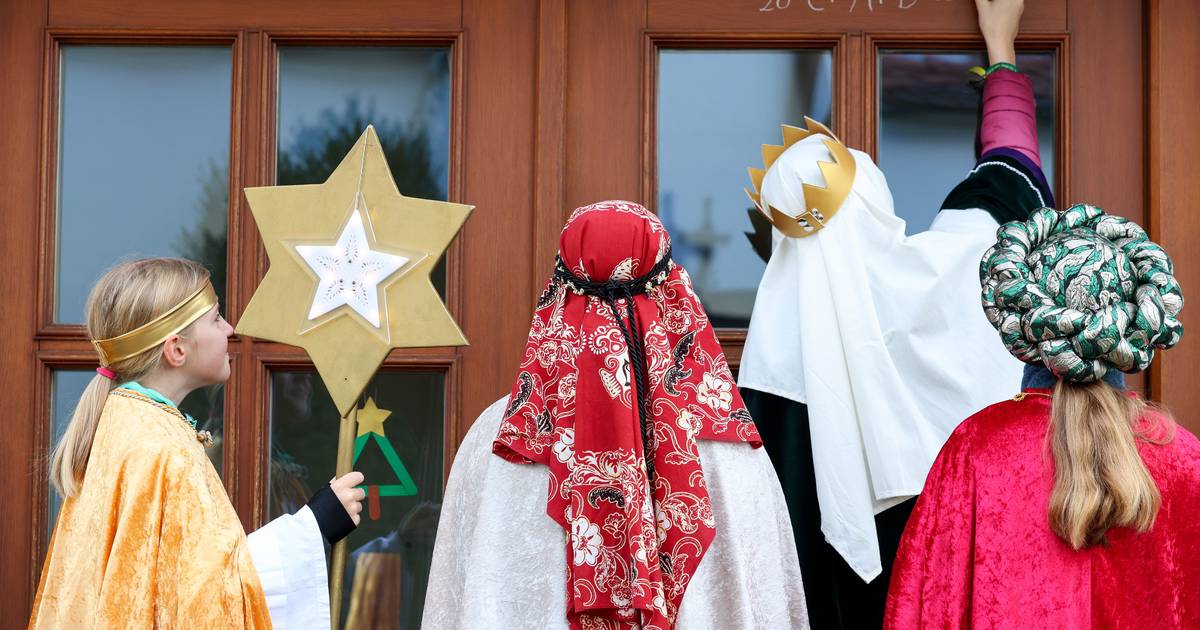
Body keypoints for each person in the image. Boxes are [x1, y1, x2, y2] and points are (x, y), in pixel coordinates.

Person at [736, 0, 1043, 626]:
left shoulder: (763, 382)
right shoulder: (961, 280)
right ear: (874, 199)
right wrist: (1002, 52)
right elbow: (1010, 176)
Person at [422, 201, 808, 629]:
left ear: (558, 292)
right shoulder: (728, 445)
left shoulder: (499, 436)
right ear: (673, 290)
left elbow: (458, 599)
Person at [885, 202, 1196, 628]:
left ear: (1024, 320)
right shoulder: (1183, 458)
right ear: (1133, 318)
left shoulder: (976, 450)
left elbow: (925, 611)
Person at [30, 257, 367, 629]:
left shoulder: (127, 423)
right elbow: (206, 599)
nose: (230, 328)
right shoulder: (162, 448)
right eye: (216, 318)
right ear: (177, 350)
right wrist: (316, 525)